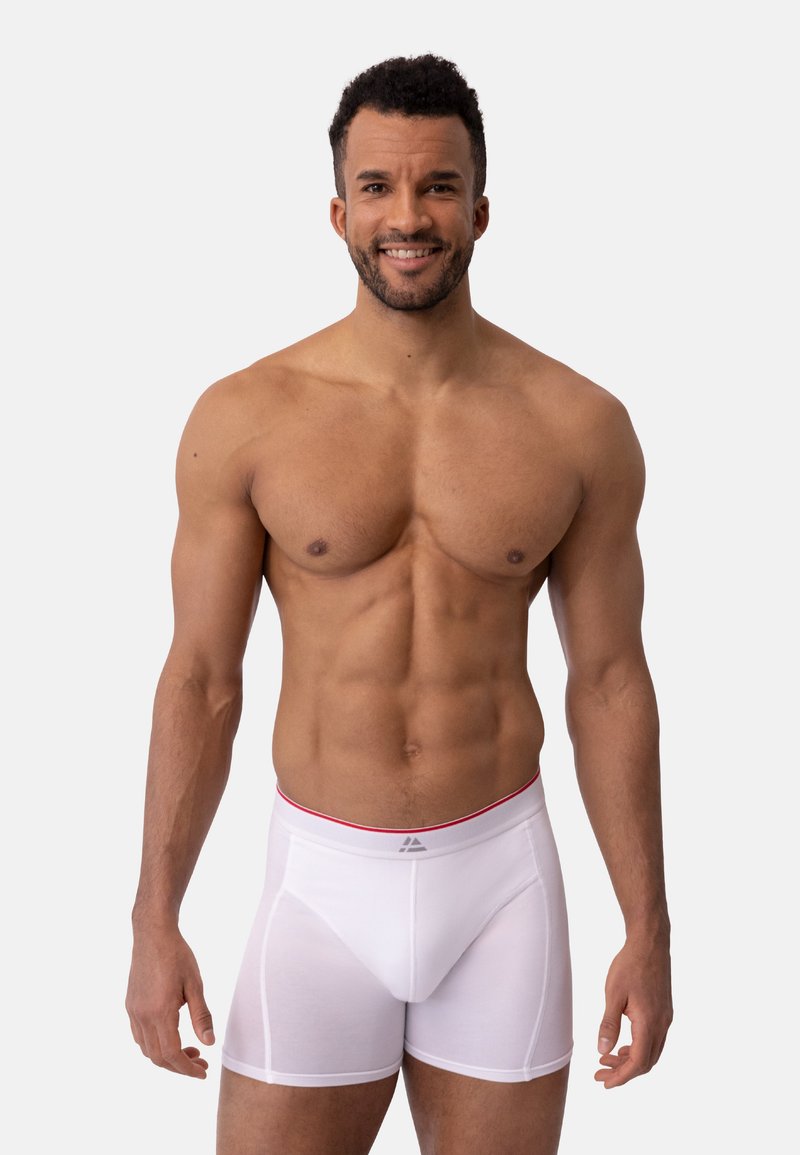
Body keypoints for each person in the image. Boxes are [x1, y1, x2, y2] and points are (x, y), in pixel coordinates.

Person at [125, 54, 672, 1155]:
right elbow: (202, 678)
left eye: (437, 186)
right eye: (377, 186)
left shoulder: (577, 425)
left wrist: (647, 927)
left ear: (481, 209)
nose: (408, 216)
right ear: (339, 212)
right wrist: (153, 918)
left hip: (501, 882)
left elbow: (610, 681)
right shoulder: (247, 418)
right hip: (319, 886)